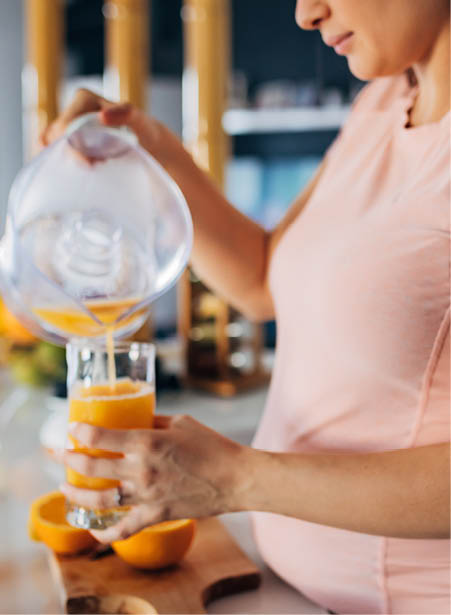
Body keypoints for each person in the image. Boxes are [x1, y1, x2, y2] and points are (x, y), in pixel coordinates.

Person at [48, 1, 450, 613]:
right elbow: (263, 279)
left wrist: (236, 478)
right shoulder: (385, 101)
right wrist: (148, 147)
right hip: (287, 589)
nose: (305, 14)